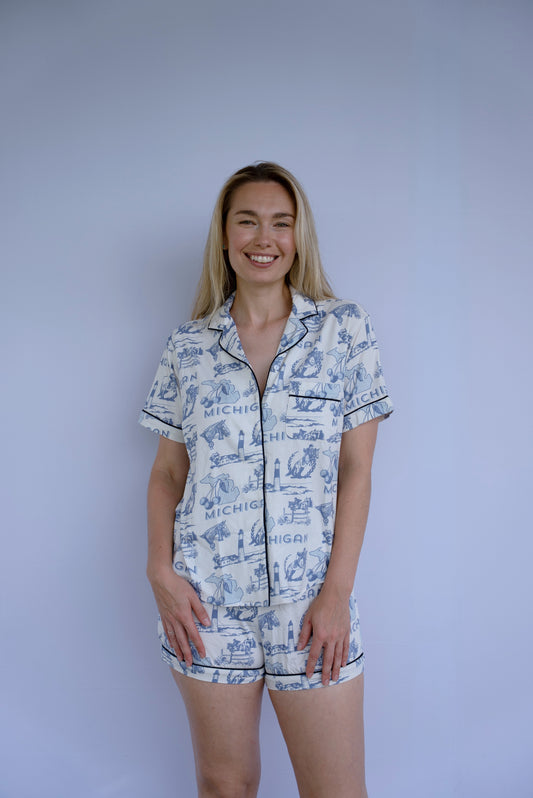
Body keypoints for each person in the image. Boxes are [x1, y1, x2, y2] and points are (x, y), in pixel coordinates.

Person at [139, 161, 393, 798]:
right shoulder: (187, 346)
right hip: (206, 604)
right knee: (225, 785)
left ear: (298, 236)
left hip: (312, 606)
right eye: (247, 221)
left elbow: (357, 469)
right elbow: (168, 472)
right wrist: (160, 571)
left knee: (336, 791)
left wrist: (337, 594)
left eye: (281, 223)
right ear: (225, 235)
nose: (264, 238)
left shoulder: (343, 330)